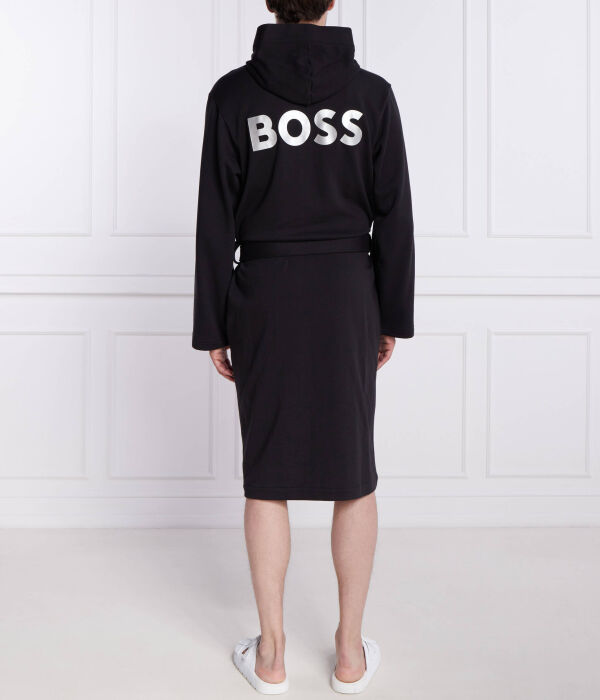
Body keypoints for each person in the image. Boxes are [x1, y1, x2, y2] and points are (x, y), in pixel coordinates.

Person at [192, 0, 414, 693]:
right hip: (348, 294)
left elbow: (214, 217)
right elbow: (395, 212)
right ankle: (349, 654)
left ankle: (272, 655)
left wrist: (215, 324)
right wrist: (390, 314)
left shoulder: (233, 95)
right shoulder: (371, 95)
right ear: (331, 2)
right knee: (354, 472)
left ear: (270, 2)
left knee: (269, 474)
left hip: (265, 297)